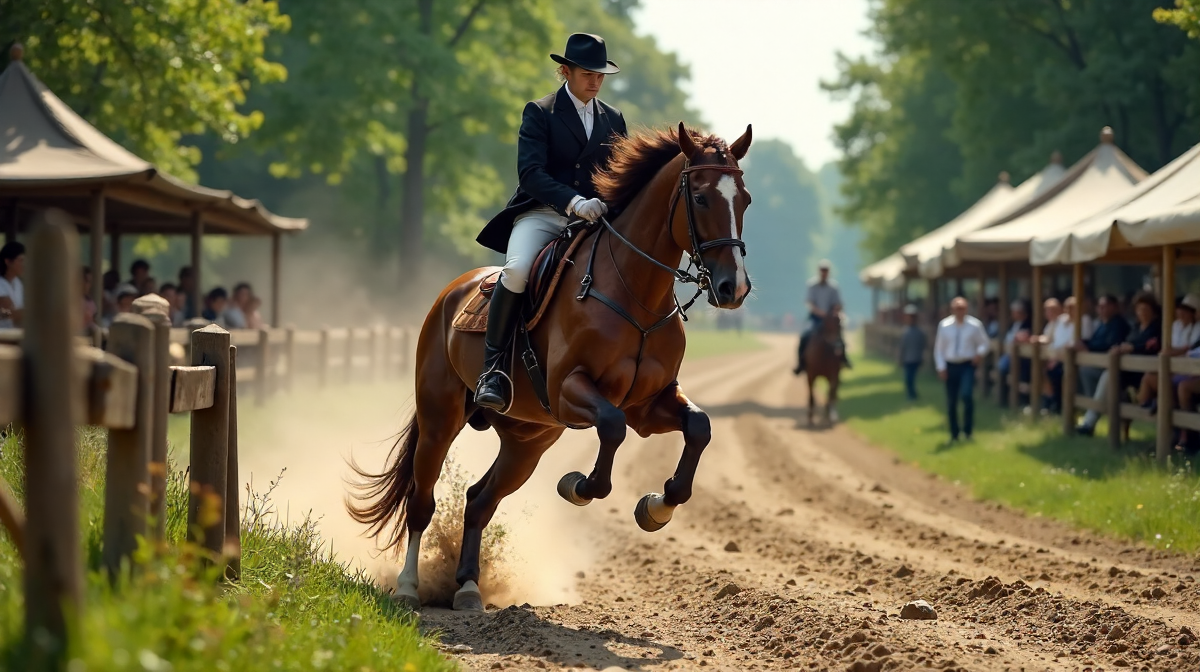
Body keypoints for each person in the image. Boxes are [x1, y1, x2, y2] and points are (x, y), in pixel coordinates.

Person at [472, 33, 628, 412]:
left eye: (600, 75)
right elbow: (530, 173)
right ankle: (492, 370)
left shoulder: (614, 119)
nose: (595, 81)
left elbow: (621, 176)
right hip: (543, 214)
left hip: (593, 221)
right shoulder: (540, 112)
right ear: (565, 71)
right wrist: (574, 201)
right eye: (587, 73)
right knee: (518, 270)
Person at [1077, 292, 1162, 436]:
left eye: (1145, 309)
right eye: (1139, 309)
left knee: (1109, 376)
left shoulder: (1157, 327)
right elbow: (1126, 343)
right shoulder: (1136, 327)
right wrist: (1121, 348)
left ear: (1153, 310)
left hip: (1143, 373)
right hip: (1127, 371)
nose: (1142, 313)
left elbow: (1152, 346)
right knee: (1094, 372)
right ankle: (1093, 418)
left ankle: (1090, 421)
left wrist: (1132, 348)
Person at [934, 297, 990, 442]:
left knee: (966, 395)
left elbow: (984, 343)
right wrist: (941, 367)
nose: (960, 311)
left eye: (962, 308)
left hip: (967, 364)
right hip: (950, 365)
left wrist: (979, 354)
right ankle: (954, 433)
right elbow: (939, 349)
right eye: (957, 308)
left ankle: (968, 431)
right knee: (951, 401)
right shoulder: (944, 325)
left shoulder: (974, 325)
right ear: (952, 309)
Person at [1136, 293, 1200, 413]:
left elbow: (1189, 350)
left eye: (1186, 310)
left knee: (1177, 384)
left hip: (1188, 371)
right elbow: (1176, 349)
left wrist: (1176, 352)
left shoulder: (1197, 328)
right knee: (1149, 376)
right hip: (1176, 368)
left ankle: (1181, 422)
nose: (1181, 313)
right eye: (1180, 309)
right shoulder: (1176, 326)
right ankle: (1145, 403)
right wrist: (1175, 352)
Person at [793, 259, 850, 375]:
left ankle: (844, 359)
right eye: (822, 270)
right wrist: (820, 313)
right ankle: (801, 363)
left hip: (830, 319)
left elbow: (838, 303)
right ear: (819, 271)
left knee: (839, 338)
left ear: (828, 272)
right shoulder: (812, 285)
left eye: (826, 270)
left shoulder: (833, 287)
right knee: (805, 336)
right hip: (815, 318)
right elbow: (810, 304)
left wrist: (834, 310)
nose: (824, 272)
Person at [1076, 294, 1130, 400]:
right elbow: (1094, 341)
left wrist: (1088, 348)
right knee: (1084, 370)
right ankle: (1092, 405)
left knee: (1086, 371)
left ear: (1113, 307)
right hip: (1100, 363)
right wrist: (1082, 343)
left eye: (1104, 306)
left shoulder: (1118, 324)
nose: (1100, 309)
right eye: (1099, 306)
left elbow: (1109, 344)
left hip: (1113, 366)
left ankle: (1094, 407)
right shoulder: (1102, 324)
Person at [898, 303, 927, 401]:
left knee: (911, 378)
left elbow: (923, 346)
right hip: (907, 359)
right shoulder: (906, 332)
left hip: (915, 359)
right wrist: (900, 358)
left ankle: (912, 394)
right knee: (908, 378)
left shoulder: (919, 332)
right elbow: (902, 347)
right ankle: (911, 394)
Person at [0, 241, 25, 329]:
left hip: (15, 334)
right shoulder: (1, 284)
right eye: (21, 260)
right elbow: (5, 314)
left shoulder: (17, 282)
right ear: (8, 261)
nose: (25, 264)